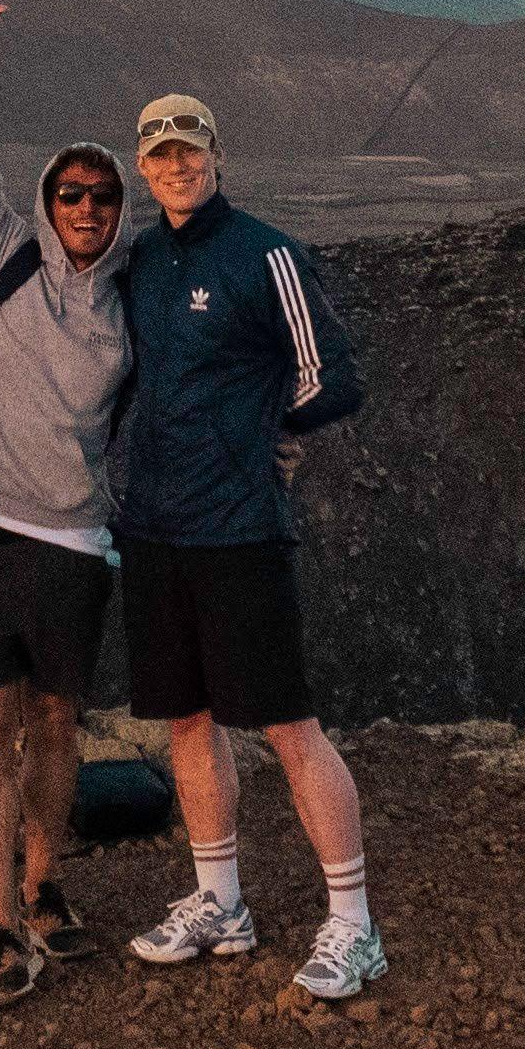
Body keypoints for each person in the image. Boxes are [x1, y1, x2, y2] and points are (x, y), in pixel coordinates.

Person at [115, 91, 384, 1000]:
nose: (176, 166)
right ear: (143, 168)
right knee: (185, 717)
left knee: (286, 724)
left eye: (189, 151)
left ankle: (354, 923)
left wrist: (266, 434)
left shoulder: (266, 254)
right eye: (159, 156)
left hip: (237, 527)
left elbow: (333, 377)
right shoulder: (145, 258)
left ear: (217, 156)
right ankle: (220, 900)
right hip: (154, 525)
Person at [0, 0, 134, 1001]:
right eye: (69, 191)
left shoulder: (133, 297)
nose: (86, 208)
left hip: (73, 542)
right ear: (47, 199)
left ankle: (47, 882)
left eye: (102, 194)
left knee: (58, 722)